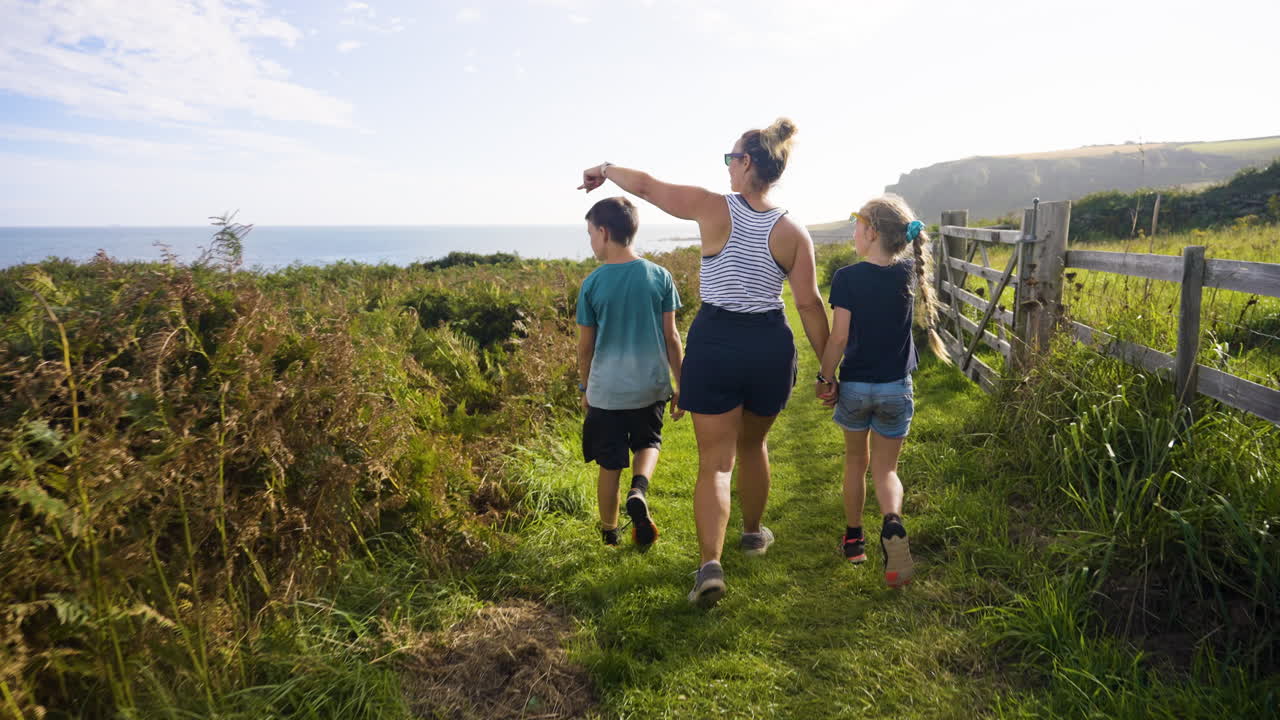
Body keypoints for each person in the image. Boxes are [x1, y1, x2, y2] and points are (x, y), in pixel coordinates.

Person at [578, 118, 830, 607]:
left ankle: (710, 566)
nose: (727, 167)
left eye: (731, 158)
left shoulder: (713, 208)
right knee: (754, 445)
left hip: (716, 342)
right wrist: (827, 370)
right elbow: (808, 304)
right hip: (769, 345)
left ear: (747, 162)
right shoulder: (793, 232)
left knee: (715, 464)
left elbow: (647, 187)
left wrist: (605, 170)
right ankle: (753, 535)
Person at [816, 194, 950, 588]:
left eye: (857, 225)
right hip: (895, 388)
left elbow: (839, 338)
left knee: (855, 462)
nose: (854, 233)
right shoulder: (909, 272)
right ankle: (892, 522)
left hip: (856, 388)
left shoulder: (846, 277)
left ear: (872, 232)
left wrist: (825, 377)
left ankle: (854, 541)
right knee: (887, 469)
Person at [577, 196, 685, 550]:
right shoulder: (660, 276)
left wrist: (585, 388)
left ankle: (610, 534)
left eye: (591, 234)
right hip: (650, 386)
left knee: (609, 464)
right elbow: (671, 337)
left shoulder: (592, 284)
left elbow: (585, 347)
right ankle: (639, 489)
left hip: (606, 392)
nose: (591, 241)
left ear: (604, 233)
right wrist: (681, 384)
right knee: (648, 443)